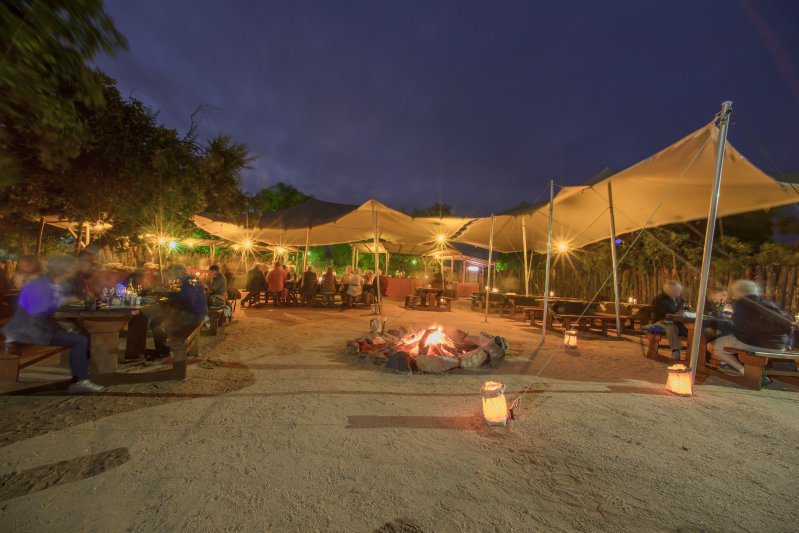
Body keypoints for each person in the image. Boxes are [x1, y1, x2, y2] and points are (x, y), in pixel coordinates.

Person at [1, 255, 102, 393]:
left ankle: (81, 376)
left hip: (34, 328)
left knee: (81, 336)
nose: (73, 271)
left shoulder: (50, 284)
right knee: (79, 340)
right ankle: (80, 381)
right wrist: (62, 313)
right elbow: (38, 313)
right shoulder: (41, 285)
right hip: (28, 330)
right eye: (71, 269)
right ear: (64, 270)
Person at [708, 280, 794, 377]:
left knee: (713, 346)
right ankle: (754, 371)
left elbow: (735, 326)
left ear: (738, 292)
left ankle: (744, 371)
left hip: (756, 343)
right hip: (779, 347)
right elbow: (788, 324)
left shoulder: (741, 303)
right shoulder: (768, 303)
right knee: (733, 341)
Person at [151, 266, 208, 358]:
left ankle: (163, 352)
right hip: (199, 314)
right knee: (164, 319)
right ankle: (164, 350)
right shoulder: (190, 281)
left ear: (179, 274)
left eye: (174, 274)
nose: (173, 276)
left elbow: (187, 301)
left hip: (193, 316)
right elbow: (185, 298)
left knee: (157, 323)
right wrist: (169, 296)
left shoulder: (188, 284)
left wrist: (170, 300)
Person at [650, 280, 687, 360]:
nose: (679, 292)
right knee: (671, 327)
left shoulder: (678, 299)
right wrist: (674, 314)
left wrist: (681, 312)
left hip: (676, 322)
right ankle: (675, 351)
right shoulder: (659, 299)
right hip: (660, 322)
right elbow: (657, 314)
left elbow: (683, 309)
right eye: (677, 290)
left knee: (690, 329)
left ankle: (695, 352)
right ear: (671, 290)